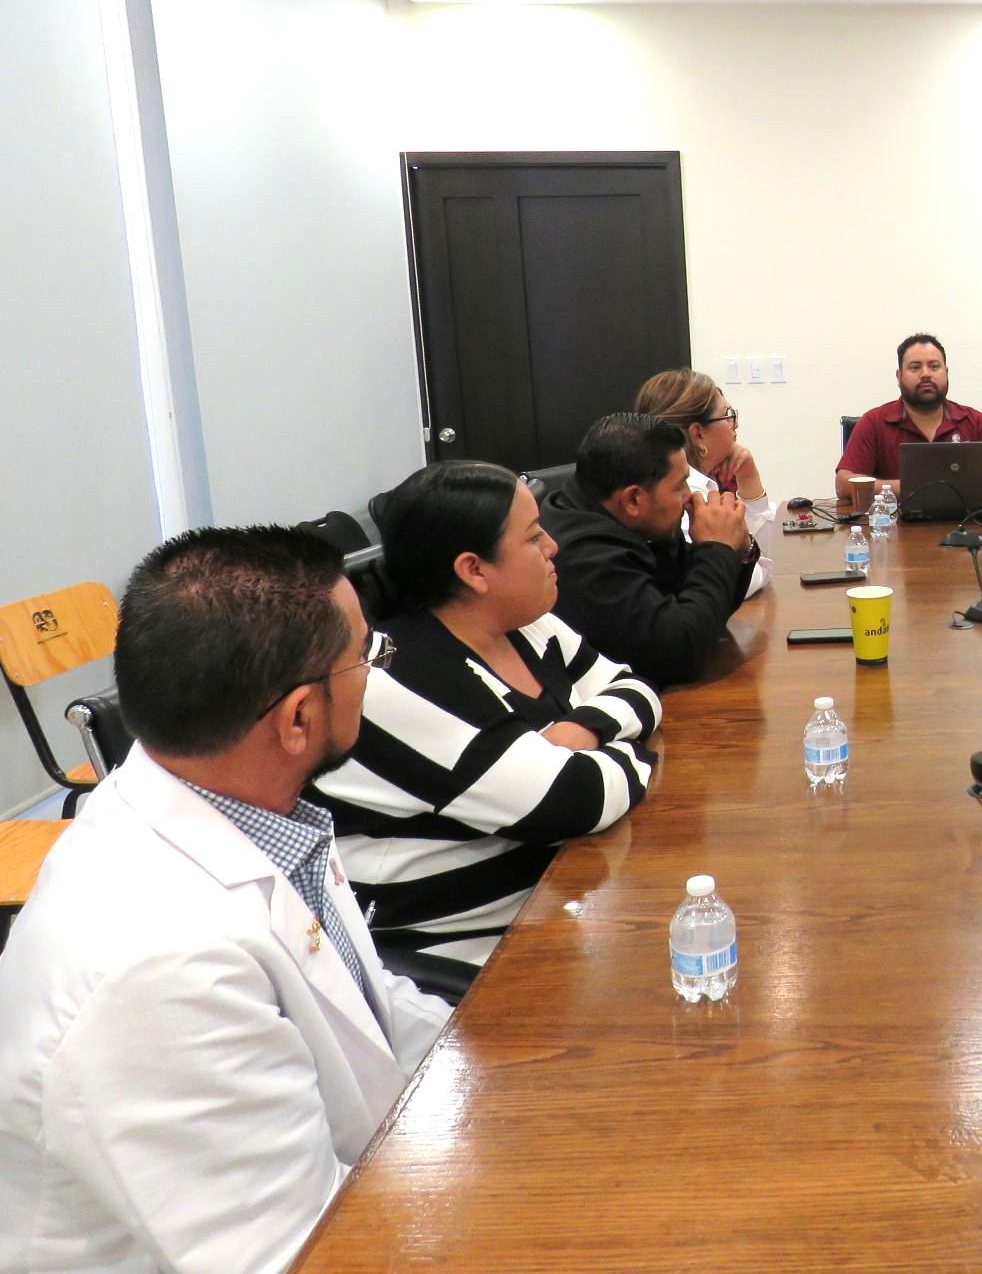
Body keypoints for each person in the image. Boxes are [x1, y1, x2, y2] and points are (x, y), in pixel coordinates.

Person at [0, 526, 452, 1272]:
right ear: (299, 718)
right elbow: (292, 1254)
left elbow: (371, 1005)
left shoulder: (242, 805)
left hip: (368, 1188)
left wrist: (507, 1083)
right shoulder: (160, 972)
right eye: (367, 657)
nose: (374, 674)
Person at [314, 461, 660, 982]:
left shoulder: (528, 626)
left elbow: (636, 688)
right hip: (458, 960)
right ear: (474, 570)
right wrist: (630, 751)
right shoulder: (397, 679)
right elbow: (578, 798)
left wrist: (581, 731)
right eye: (534, 536)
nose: (553, 547)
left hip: (557, 903)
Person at [541, 412, 758, 684]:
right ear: (633, 499)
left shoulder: (622, 515)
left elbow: (705, 610)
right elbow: (681, 652)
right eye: (679, 486)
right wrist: (718, 548)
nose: (689, 497)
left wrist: (738, 548)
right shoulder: (585, 557)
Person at [634, 367, 775, 595]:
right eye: (728, 415)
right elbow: (745, 579)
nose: (735, 425)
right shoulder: (687, 494)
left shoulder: (673, 480)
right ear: (698, 434)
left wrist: (747, 476)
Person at [836, 332, 982, 498]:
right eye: (915, 367)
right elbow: (844, 483)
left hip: (965, 522)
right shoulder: (874, 422)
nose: (925, 374)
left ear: (946, 372)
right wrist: (915, 488)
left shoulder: (973, 420)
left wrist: (946, 489)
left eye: (934, 366)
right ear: (899, 376)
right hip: (895, 523)